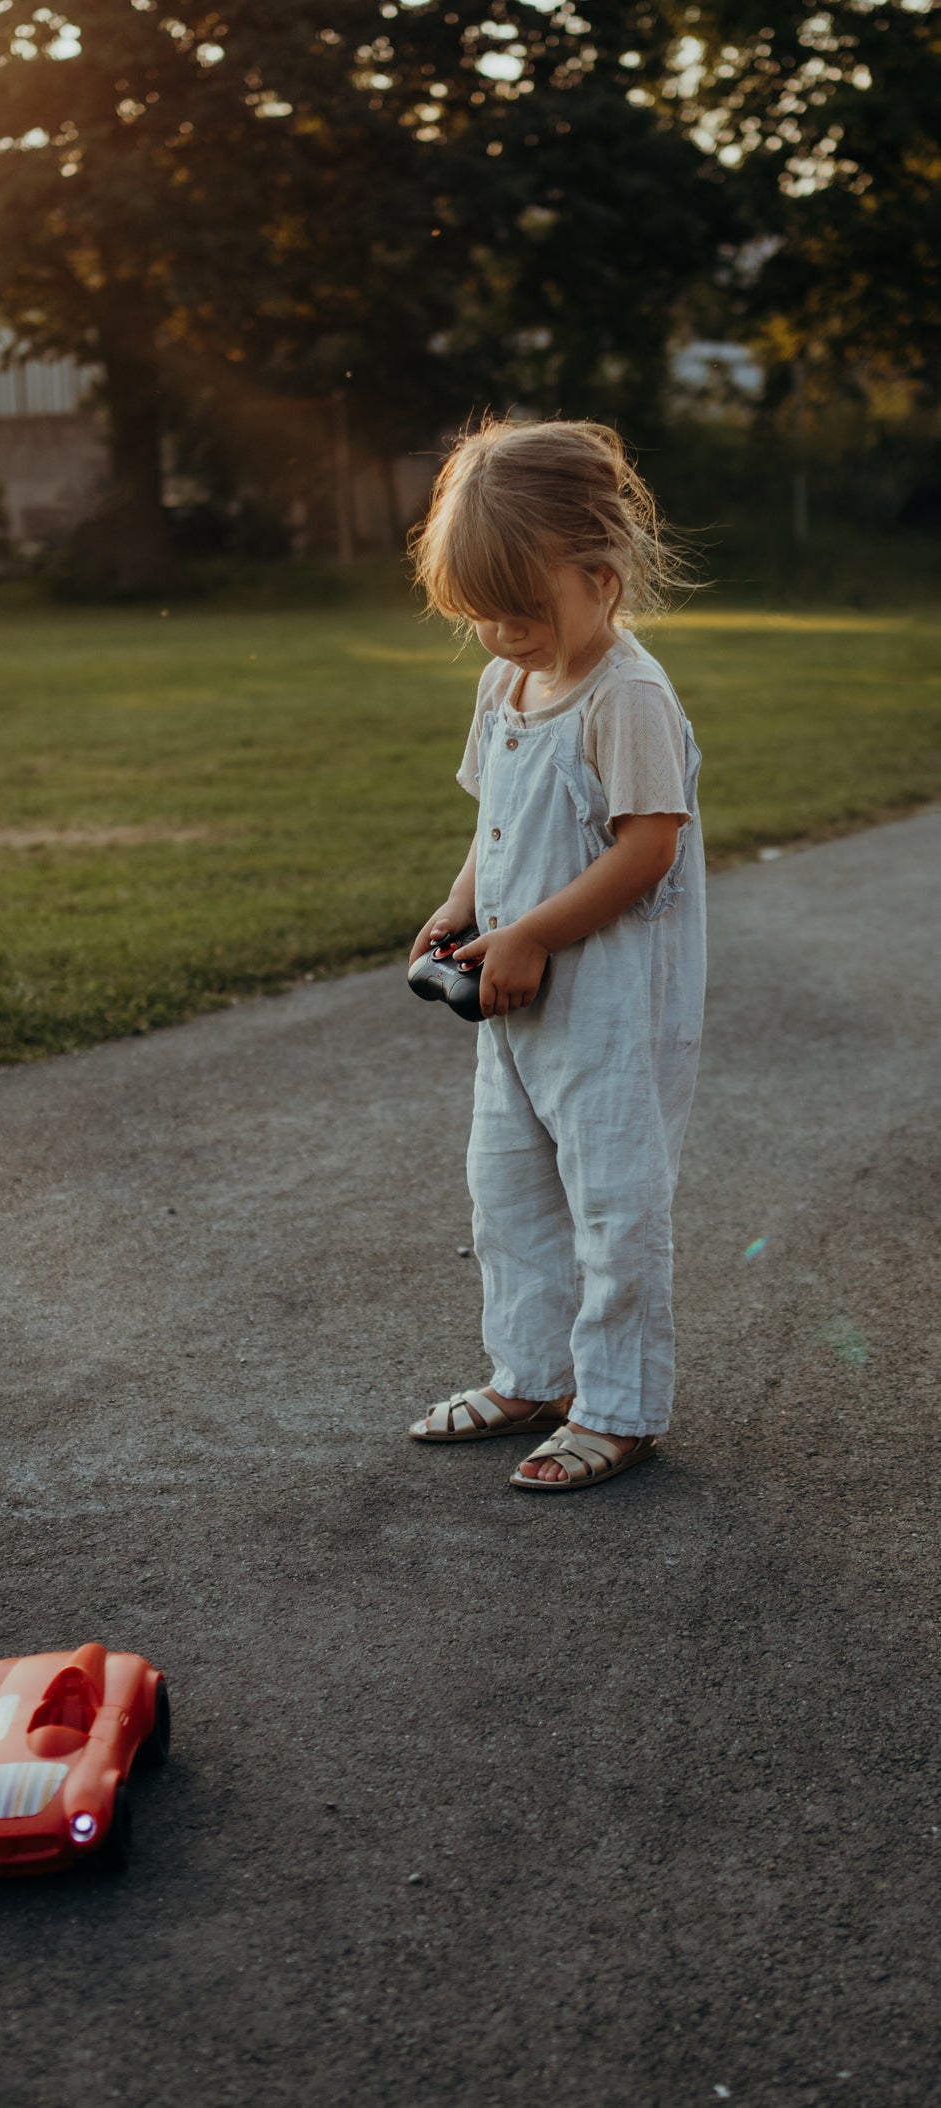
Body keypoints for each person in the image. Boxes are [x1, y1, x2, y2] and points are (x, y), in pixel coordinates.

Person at [405, 417, 706, 1492]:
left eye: (523, 609)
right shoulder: (506, 685)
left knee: (613, 1207)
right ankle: (530, 1372)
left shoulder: (624, 697)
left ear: (601, 569)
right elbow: (496, 824)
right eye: (479, 615)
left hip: (613, 1013)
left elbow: (645, 850)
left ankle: (617, 1405)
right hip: (517, 1005)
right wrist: (460, 907)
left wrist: (531, 931)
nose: (501, 634)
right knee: (507, 1192)